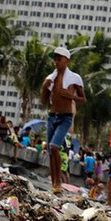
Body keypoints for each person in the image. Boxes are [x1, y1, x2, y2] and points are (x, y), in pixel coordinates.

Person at [40, 46, 86, 194]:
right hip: (52, 116)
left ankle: (58, 181)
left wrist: (69, 96)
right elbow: (43, 101)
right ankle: (54, 183)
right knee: (50, 150)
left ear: (66, 60)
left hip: (65, 117)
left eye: (59, 58)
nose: (56, 61)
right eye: (55, 58)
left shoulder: (75, 78)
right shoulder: (50, 79)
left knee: (54, 147)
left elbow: (83, 99)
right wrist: (44, 88)